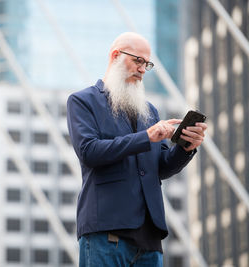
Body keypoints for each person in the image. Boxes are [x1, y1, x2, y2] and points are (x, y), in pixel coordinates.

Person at [66, 32, 207, 266]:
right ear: (115, 56)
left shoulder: (149, 111)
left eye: (147, 64)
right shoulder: (82, 101)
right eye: (138, 61)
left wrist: (186, 147)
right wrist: (147, 136)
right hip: (106, 232)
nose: (143, 69)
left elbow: (161, 167)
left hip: (150, 238)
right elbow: (89, 152)